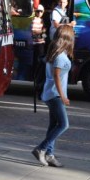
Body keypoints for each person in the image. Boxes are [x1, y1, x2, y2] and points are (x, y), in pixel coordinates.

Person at [32, 24, 75, 168]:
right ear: (67, 38)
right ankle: (41, 148)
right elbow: (57, 76)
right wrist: (63, 96)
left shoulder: (55, 53)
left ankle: (50, 155)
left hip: (50, 93)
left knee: (53, 125)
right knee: (64, 124)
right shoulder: (60, 57)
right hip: (55, 95)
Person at [31, 4, 47, 73]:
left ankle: (37, 73)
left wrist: (43, 32)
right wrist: (40, 32)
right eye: (38, 11)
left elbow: (44, 31)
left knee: (40, 59)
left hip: (41, 43)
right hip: (33, 43)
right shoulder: (32, 19)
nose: (39, 13)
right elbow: (32, 30)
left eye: (41, 11)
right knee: (34, 59)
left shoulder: (42, 20)